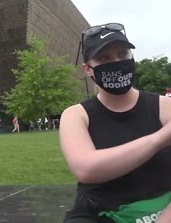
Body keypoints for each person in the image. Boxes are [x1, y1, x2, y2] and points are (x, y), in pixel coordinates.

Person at [60, 23, 171, 222]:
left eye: (122, 54)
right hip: (100, 212)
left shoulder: (165, 106)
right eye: (104, 58)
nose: (116, 62)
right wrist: (160, 139)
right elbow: (86, 169)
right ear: (88, 69)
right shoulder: (76, 115)